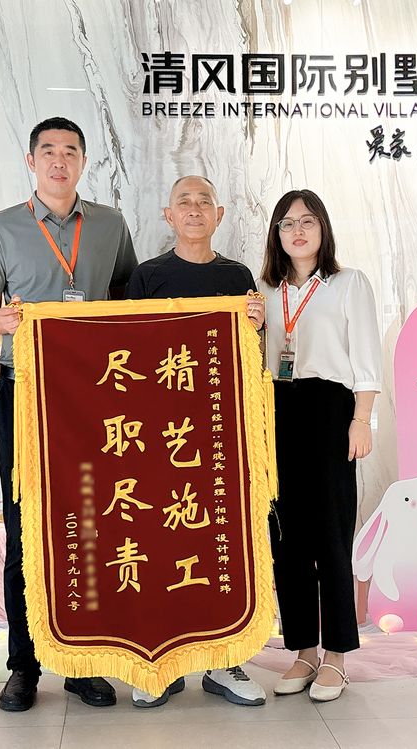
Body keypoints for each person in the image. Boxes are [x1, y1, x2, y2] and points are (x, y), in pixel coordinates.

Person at [0, 116, 138, 712]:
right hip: (24, 392)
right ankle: (24, 665)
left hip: (95, 397)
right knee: (25, 530)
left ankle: (82, 663)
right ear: (31, 161)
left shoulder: (110, 225)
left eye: (70, 151)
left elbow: (129, 302)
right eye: (48, 151)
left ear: (84, 162)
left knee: (91, 525)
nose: (59, 161)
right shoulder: (2, 228)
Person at [125, 175, 267, 708]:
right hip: (162, 435)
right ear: (168, 215)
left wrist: (256, 327)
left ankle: (224, 661)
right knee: (162, 540)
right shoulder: (147, 276)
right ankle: (162, 663)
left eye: (203, 201)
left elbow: (248, 357)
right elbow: (125, 353)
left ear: (219, 214)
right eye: (183, 201)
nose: (193, 209)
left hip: (220, 430)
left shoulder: (237, 276)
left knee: (221, 541)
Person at [256, 189, 381, 702]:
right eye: (287, 224)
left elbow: (367, 358)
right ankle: (304, 651)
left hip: (331, 410)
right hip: (276, 410)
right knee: (286, 538)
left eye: (308, 221)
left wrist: (361, 420)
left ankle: (337, 657)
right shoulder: (263, 289)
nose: (298, 231)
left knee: (331, 534)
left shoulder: (349, 283)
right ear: (277, 234)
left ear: (323, 228)